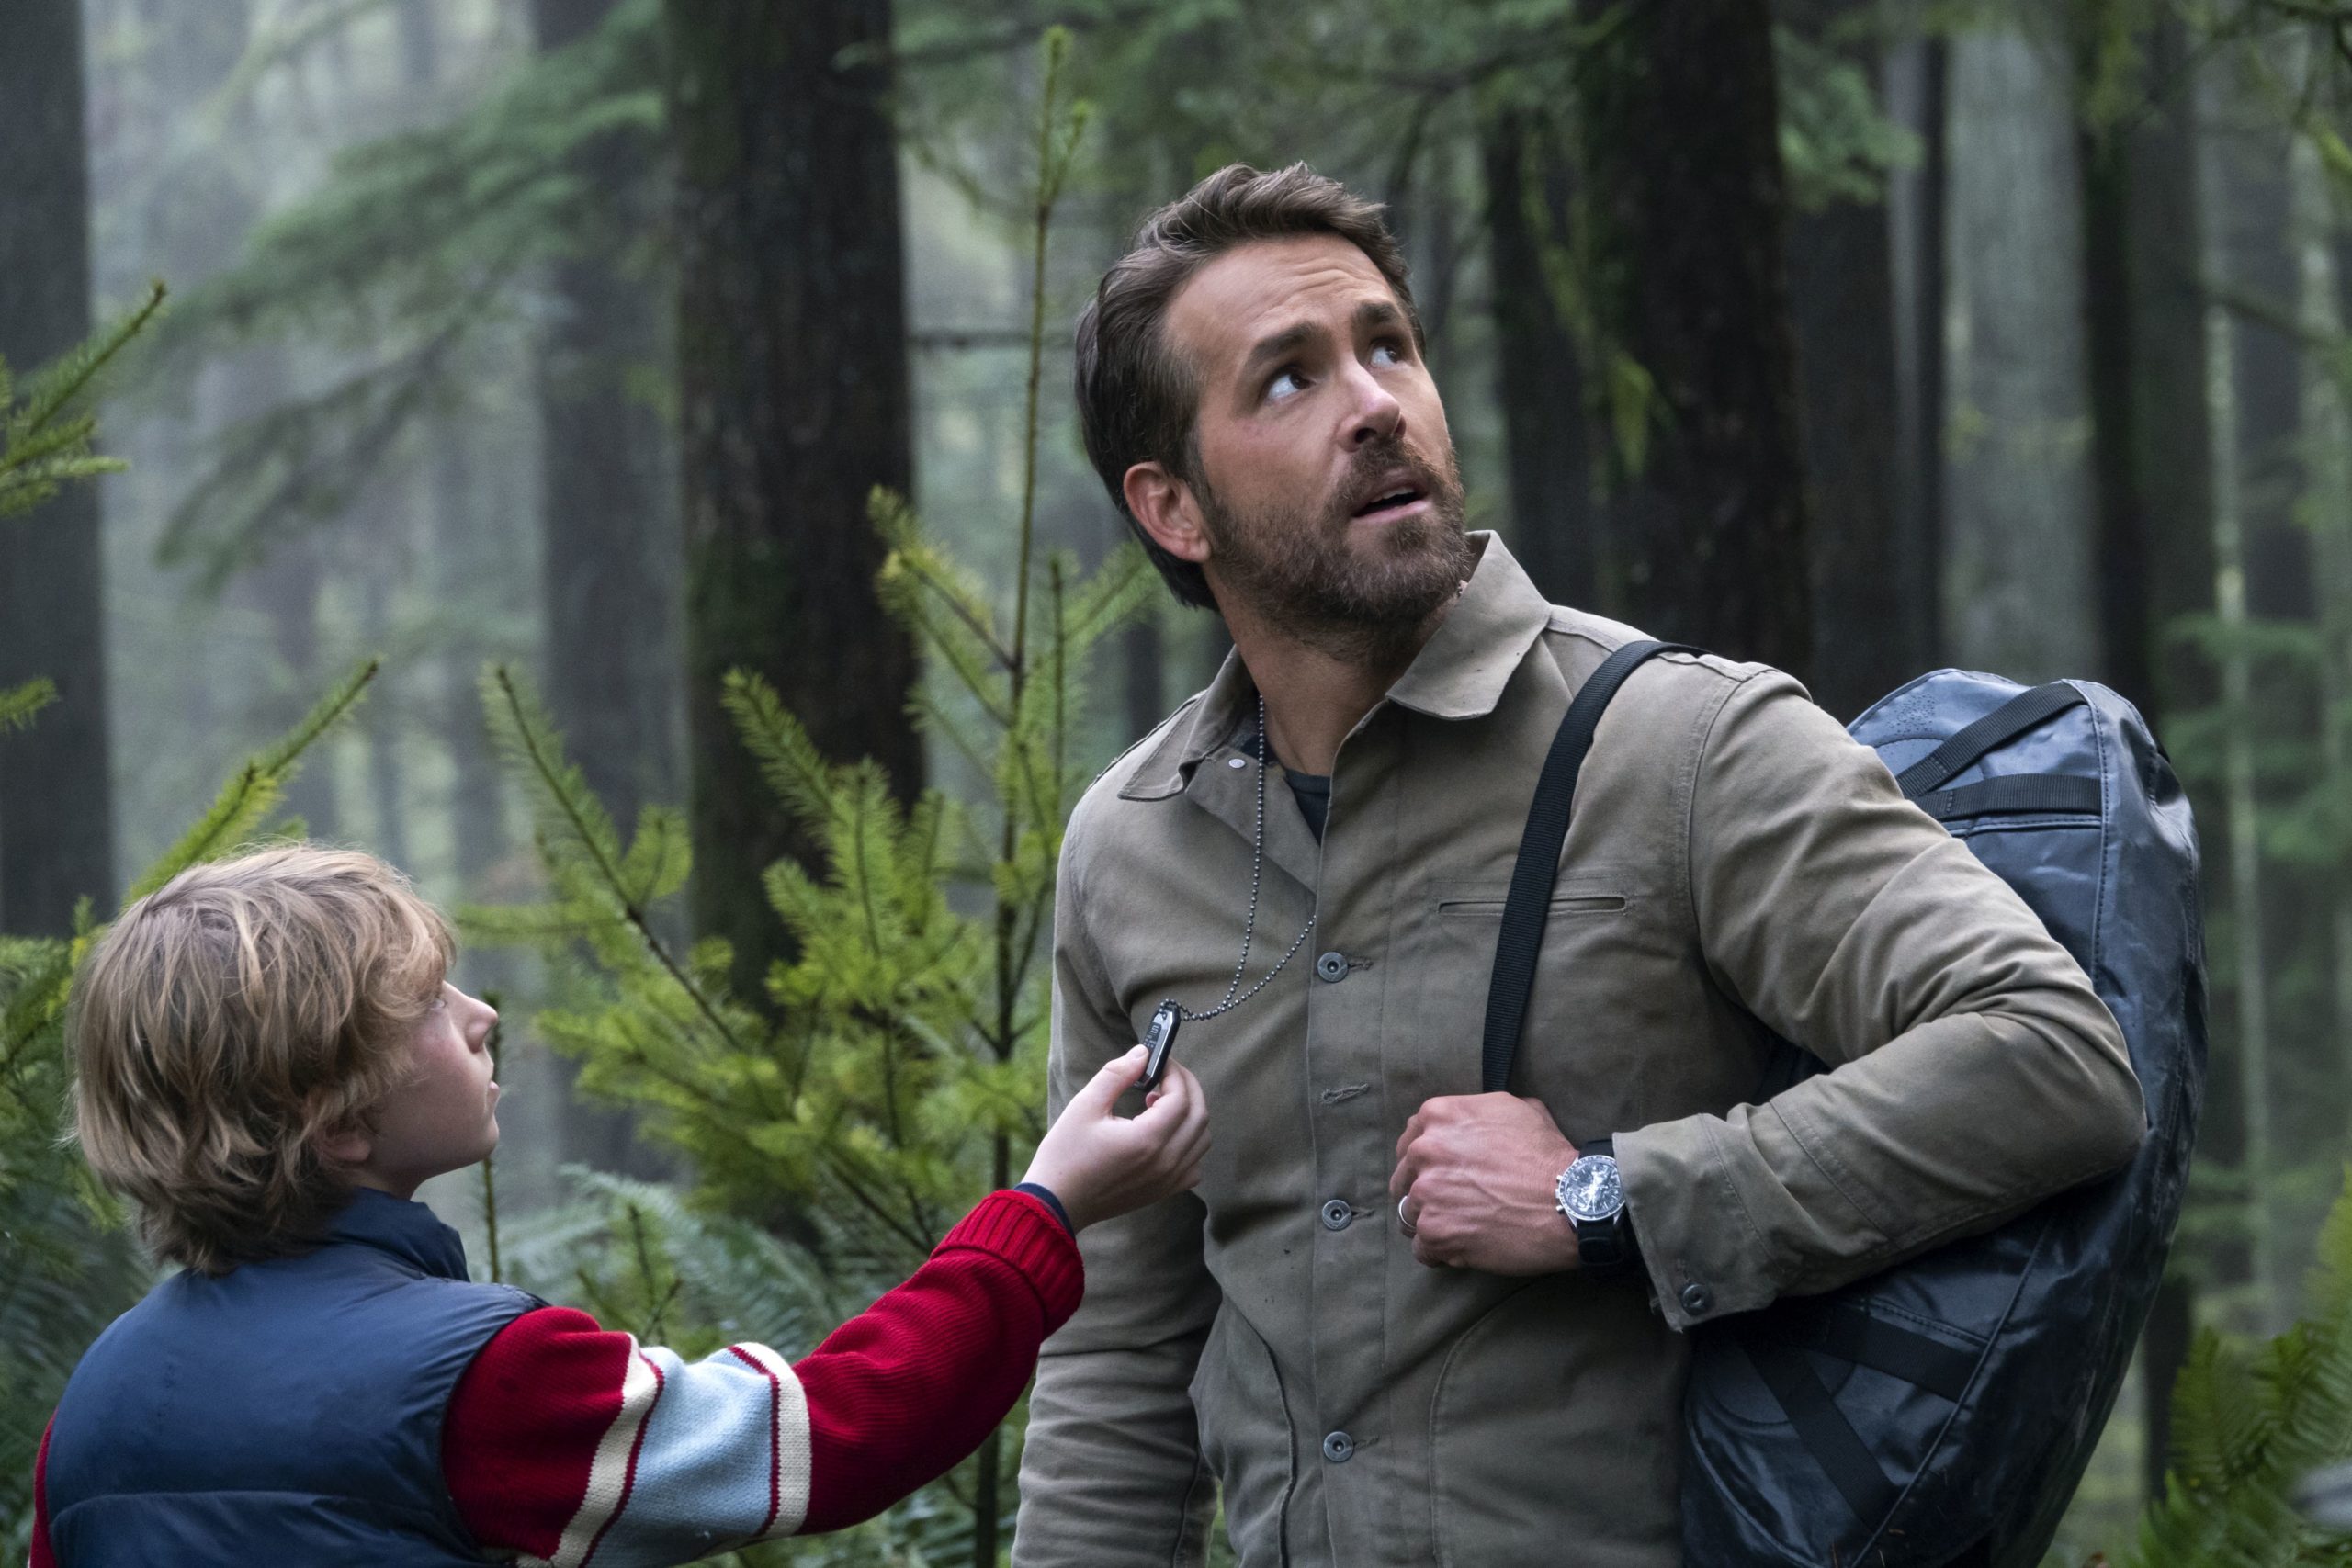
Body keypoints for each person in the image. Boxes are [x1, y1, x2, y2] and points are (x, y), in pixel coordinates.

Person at [1009, 163, 2145, 1567]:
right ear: (1174, 507)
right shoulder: (1132, 846)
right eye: (1289, 379)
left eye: (1387, 346)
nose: (1375, 403)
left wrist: (1607, 1196)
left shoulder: (1682, 744)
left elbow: (2053, 1055)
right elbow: (1119, 1362)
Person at [30, 844, 1209, 1567]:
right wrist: (1044, 1209)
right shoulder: (480, 1375)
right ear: (333, 1118)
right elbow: (831, 1437)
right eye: (429, 1006)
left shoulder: (99, 1399)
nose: (482, 1015)